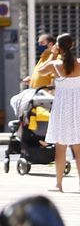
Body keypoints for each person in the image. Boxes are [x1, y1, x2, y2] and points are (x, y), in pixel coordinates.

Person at [45, 34, 80, 191]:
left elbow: (39, 71)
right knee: (78, 148)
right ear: (72, 45)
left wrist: (52, 54)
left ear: (58, 46)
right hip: (78, 106)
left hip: (63, 108)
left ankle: (59, 184)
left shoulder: (54, 64)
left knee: (61, 148)